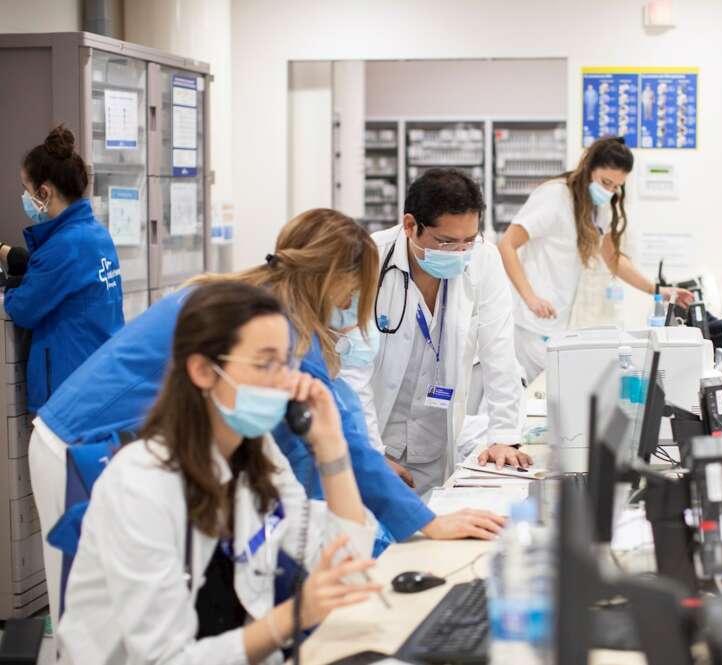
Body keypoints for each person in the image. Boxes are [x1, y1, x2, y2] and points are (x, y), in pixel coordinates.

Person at [30, 209, 505, 627]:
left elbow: (329, 430)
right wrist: (420, 524)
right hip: (78, 443)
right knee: (91, 612)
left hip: (119, 442)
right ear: (330, 280)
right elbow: (330, 441)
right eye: (352, 292)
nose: (350, 308)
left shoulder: (271, 302)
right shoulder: (269, 322)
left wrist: (352, 528)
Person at [58, 281, 381, 664]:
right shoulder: (141, 484)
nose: (284, 382)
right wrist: (290, 618)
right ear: (203, 371)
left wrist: (331, 447)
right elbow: (164, 659)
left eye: (285, 364)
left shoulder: (256, 453)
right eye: (265, 364)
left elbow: (348, 572)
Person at [341, 169, 530, 496]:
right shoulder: (369, 258)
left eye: (468, 241)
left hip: (435, 439)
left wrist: (503, 437)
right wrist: (370, 453)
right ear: (411, 225)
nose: (459, 252)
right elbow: (353, 372)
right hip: (375, 434)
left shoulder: (483, 259)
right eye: (446, 241)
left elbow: (498, 351)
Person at [497, 136, 694, 383]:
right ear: (589, 167)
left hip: (557, 321)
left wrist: (658, 290)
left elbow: (613, 260)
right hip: (530, 323)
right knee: (543, 392)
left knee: (554, 392)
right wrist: (530, 298)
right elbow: (507, 244)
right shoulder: (555, 196)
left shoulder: (600, 208)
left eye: (615, 187)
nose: (609, 191)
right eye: (605, 182)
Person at [5, 125, 124, 411]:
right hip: (97, 377)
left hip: (67, 388)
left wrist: (11, 288)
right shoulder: (95, 234)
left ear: (44, 192)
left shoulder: (64, 247)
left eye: (26, 189)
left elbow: (23, 309)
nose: (25, 197)